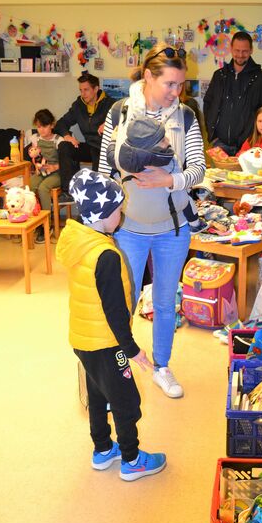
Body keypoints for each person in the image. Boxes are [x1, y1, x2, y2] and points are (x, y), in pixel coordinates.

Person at [98, 42, 206, 399]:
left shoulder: (187, 116)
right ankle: (119, 372)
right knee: (123, 302)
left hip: (172, 229)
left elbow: (198, 171)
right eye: (170, 84)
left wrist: (168, 180)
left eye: (181, 85)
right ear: (148, 77)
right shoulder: (119, 112)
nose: (177, 92)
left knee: (163, 302)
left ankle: (162, 366)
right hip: (127, 228)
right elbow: (104, 171)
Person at [56, 169, 166, 482]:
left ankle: (103, 450)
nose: (122, 213)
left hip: (82, 337)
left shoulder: (77, 240)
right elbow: (115, 311)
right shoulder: (105, 255)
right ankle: (131, 460)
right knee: (125, 400)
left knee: (98, 394)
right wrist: (131, 350)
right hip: (106, 342)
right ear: (104, 214)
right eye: (119, 208)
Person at [106, 114, 208, 234]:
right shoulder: (171, 161)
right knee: (185, 194)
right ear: (151, 147)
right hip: (169, 218)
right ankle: (195, 224)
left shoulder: (120, 158)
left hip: (131, 216)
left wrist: (114, 140)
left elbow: (110, 156)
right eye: (163, 139)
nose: (168, 141)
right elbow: (182, 186)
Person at [203, 31, 262, 156]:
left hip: (250, 146)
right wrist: (213, 137)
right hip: (220, 145)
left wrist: (255, 142)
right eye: (237, 50)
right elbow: (208, 104)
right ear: (231, 49)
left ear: (251, 50)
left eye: (245, 51)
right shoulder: (219, 76)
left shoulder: (261, 79)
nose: (240, 55)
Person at [55, 72, 115, 203]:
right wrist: (67, 136)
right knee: (64, 146)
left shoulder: (110, 104)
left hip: (104, 149)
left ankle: (97, 209)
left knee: (98, 183)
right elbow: (60, 123)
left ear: (96, 89)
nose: (83, 94)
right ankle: (69, 192)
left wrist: (109, 124)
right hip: (89, 147)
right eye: (81, 90)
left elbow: (125, 122)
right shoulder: (78, 105)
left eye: (86, 90)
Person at [26, 109, 63, 243]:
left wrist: (54, 167)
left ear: (52, 125)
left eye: (44, 126)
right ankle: (32, 221)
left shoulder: (59, 140)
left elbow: (66, 163)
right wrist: (36, 165)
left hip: (57, 173)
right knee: (28, 186)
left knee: (43, 188)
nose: (41, 130)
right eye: (39, 126)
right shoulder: (35, 138)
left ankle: (46, 224)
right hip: (41, 172)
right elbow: (34, 157)